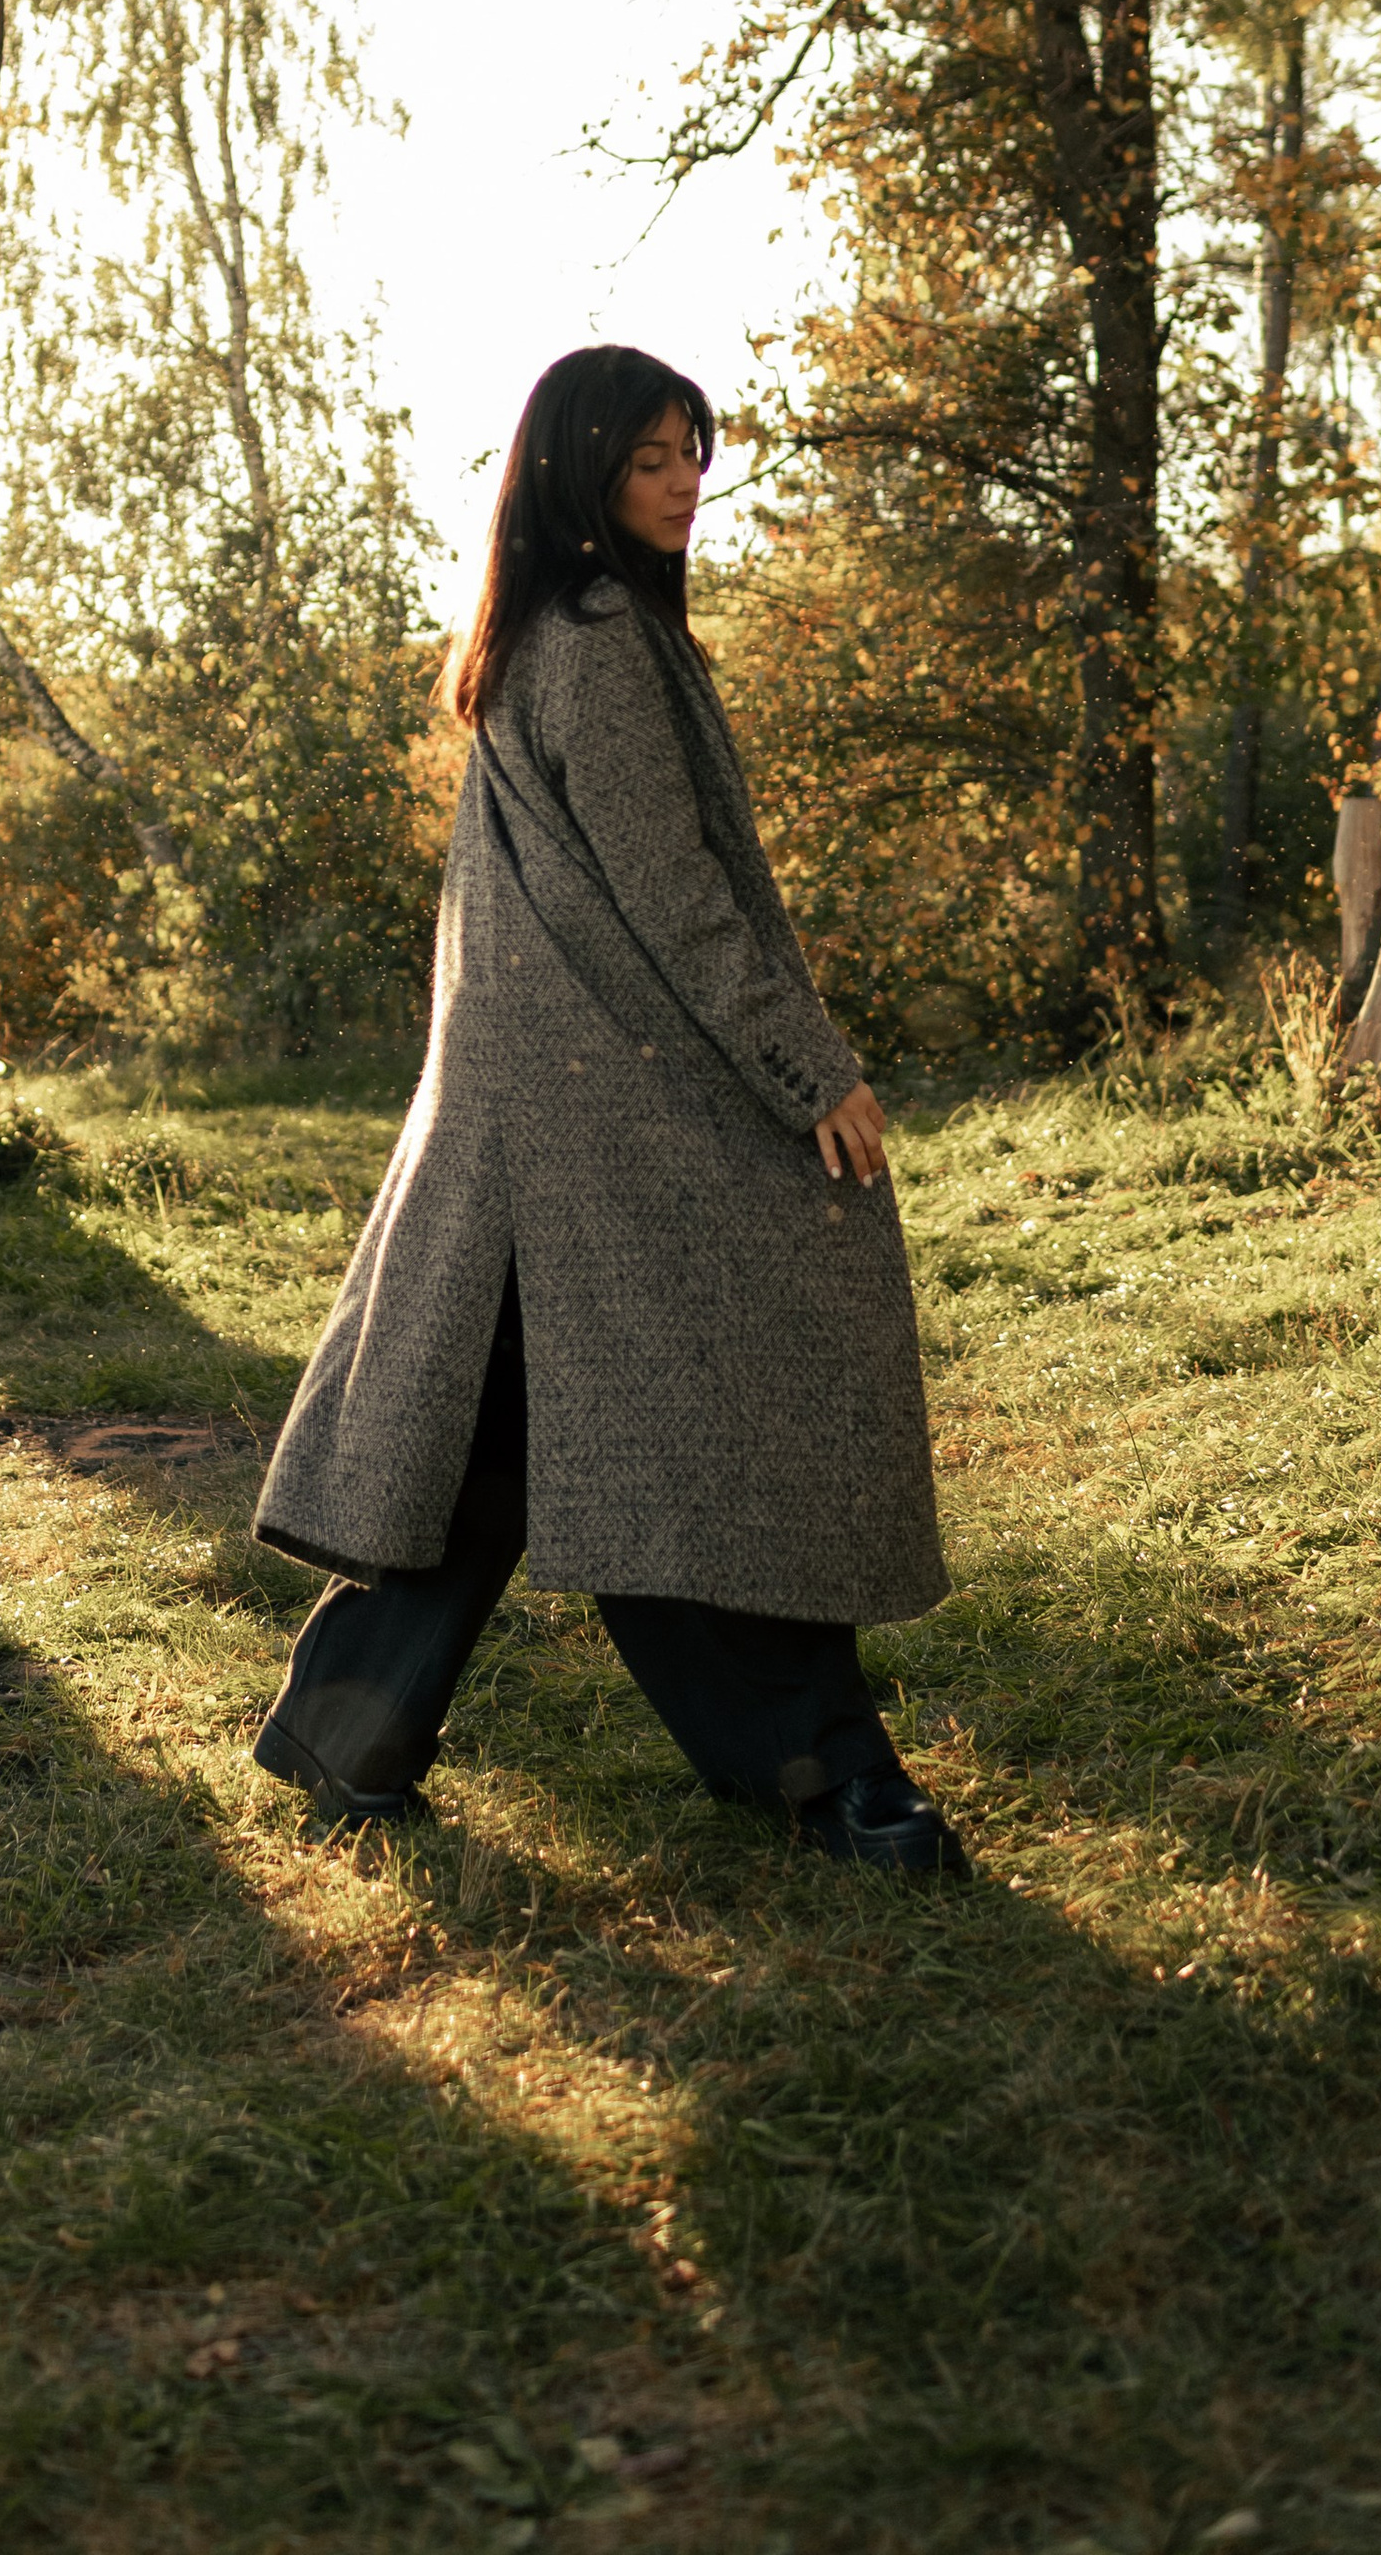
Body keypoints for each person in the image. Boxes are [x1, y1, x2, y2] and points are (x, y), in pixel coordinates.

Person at [252, 343, 965, 1878]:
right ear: (581, 475)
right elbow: (677, 894)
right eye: (653, 459)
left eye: (694, 453)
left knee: (507, 1432)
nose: (687, 483)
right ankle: (819, 1769)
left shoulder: (565, 630)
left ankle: (345, 1729)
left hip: (550, 1109)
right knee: (692, 1413)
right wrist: (809, 1068)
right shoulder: (594, 639)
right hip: (597, 1113)